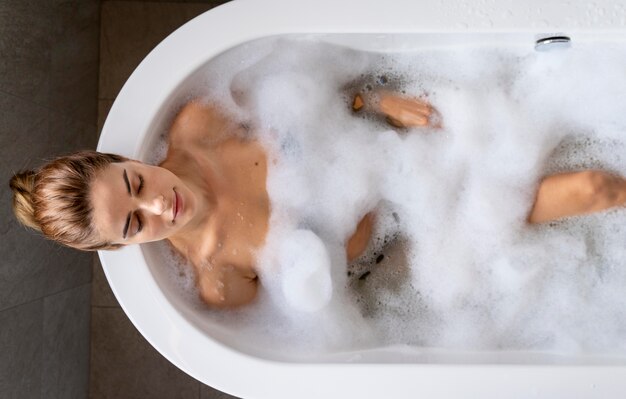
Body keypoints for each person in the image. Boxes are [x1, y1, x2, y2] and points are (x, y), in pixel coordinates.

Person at [10, 91, 626, 308]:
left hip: (405, 150)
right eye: (134, 226)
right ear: (124, 246)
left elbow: (318, 95)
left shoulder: (203, 121)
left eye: (136, 185)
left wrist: (380, 100)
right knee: (592, 188)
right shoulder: (220, 280)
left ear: (127, 161)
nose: (158, 207)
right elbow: (341, 307)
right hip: (422, 243)